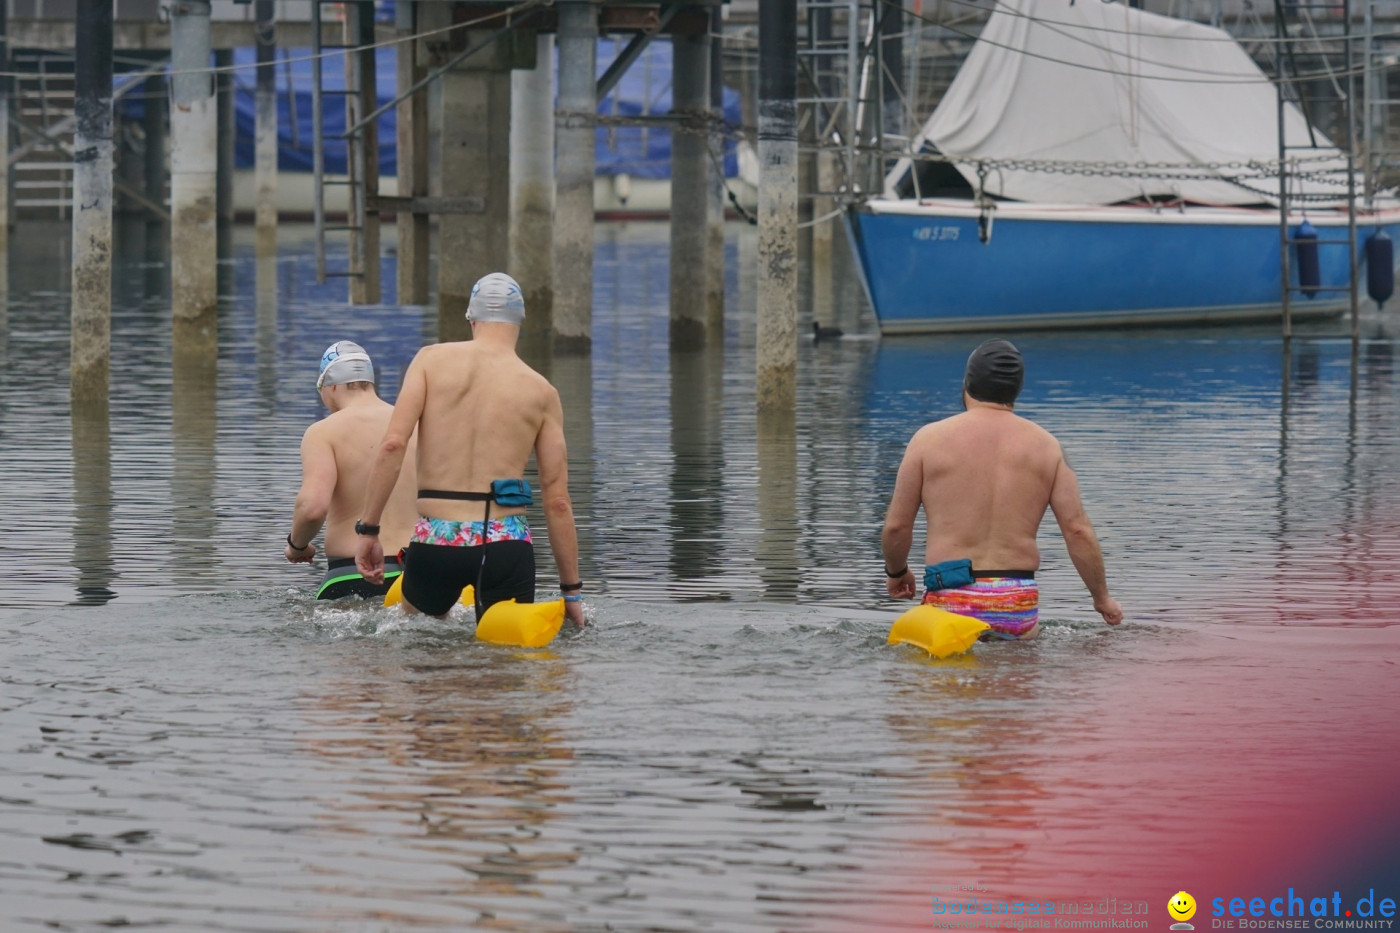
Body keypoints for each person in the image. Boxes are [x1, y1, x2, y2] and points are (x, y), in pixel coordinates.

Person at [354, 272, 586, 627]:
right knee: (503, 663)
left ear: (471, 317)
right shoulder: (542, 392)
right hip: (505, 543)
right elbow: (557, 501)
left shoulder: (430, 361)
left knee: (422, 652)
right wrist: (571, 593)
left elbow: (393, 444)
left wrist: (369, 529)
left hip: (436, 540)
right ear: (520, 321)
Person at [881, 338, 1123, 638]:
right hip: (1016, 600)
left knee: (943, 679)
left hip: (951, 596)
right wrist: (1101, 598)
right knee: (1016, 678)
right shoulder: (1048, 447)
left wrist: (897, 572)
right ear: (1016, 389)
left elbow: (897, 527)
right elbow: (1077, 530)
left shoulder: (927, 440)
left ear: (967, 383)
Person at [284, 341, 421, 600]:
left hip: (351, 573)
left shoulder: (323, 432)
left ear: (330, 387)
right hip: (417, 575)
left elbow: (312, 507)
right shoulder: (413, 426)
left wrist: (297, 546)